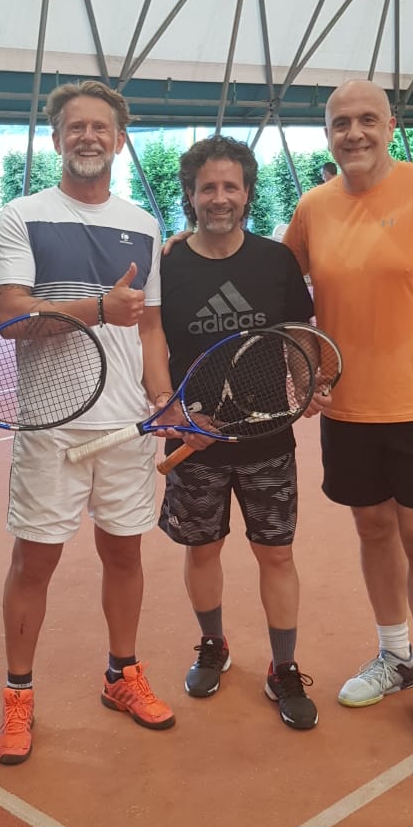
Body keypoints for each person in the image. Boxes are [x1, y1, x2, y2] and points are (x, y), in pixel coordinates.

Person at [280, 80, 413, 753]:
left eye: (367, 119)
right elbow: (278, 291)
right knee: (372, 529)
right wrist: (302, 369)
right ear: (328, 135)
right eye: (341, 123)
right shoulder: (313, 207)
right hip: (347, 409)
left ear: (391, 125)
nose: (355, 133)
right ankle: (394, 655)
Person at [0, 79, 177, 764]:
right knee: (34, 562)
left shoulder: (144, 224)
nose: (88, 136)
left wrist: (164, 398)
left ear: (119, 140)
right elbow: (11, 317)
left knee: (124, 554)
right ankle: (18, 696)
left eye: (101, 127)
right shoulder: (22, 215)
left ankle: (121, 675)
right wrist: (97, 308)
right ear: (56, 138)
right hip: (51, 424)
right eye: (76, 127)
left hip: (126, 426)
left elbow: (150, 327)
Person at [158, 136, 327, 729]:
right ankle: (214, 645)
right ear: (191, 194)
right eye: (208, 187)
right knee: (202, 549)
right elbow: (150, 343)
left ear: (247, 193)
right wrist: (175, 410)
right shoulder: (167, 264)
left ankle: (284, 667)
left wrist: (308, 384)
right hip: (193, 441)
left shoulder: (275, 261)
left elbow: (298, 331)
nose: (220, 197)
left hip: (268, 440)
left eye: (231, 186)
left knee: (275, 554)